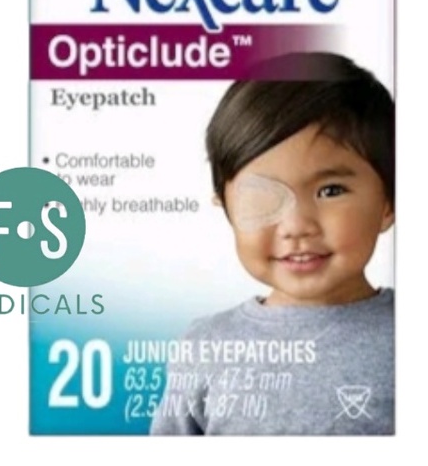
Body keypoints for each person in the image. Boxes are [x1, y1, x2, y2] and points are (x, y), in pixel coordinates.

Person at [150, 52, 395, 435]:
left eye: (331, 190)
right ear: (226, 208)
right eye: (263, 196)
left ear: (388, 203)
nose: (296, 226)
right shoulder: (205, 346)